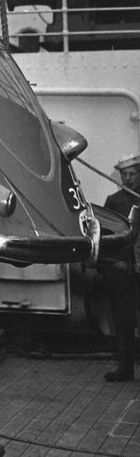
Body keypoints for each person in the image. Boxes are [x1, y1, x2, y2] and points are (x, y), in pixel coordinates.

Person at [102, 153, 140, 382]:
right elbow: (106, 234)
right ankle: (125, 368)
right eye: (124, 174)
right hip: (124, 269)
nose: (128, 178)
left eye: (132, 174)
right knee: (124, 319)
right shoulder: (113, 201)